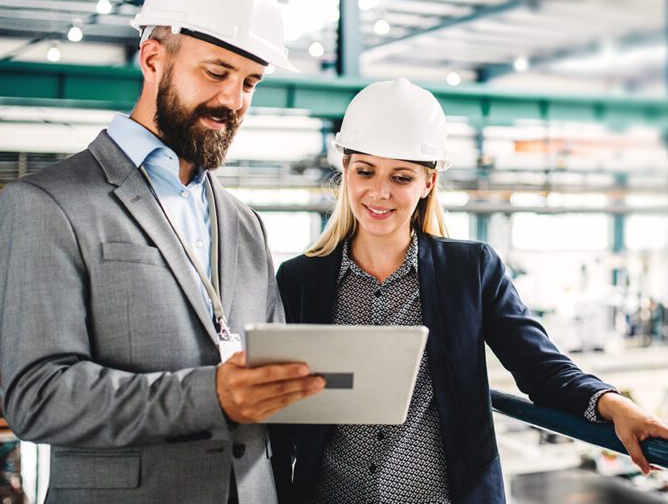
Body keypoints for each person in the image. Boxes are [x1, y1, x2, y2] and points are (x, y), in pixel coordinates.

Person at [0, 0, 325, 504]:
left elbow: (268, 371)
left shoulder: (244, 223)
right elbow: (38, 397)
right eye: (216, 73)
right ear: (152, 59)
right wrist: (209, 395)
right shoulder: (46, 205)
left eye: (250, 83)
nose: (234, 102)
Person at [272, 79, 668, 504]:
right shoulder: (300, 279)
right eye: (365, 171)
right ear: (346, 169)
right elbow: (281, 404)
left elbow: (541, 367)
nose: (379, 192)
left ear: (427, 183)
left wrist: (612, 404)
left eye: (400, 177)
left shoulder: (470, 271)